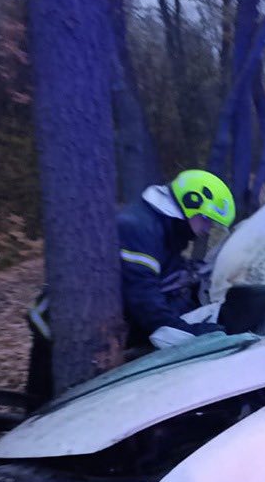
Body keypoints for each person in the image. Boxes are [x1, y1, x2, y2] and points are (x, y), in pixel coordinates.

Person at [26, 170, 234, 404]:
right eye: (206, 220)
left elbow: (168, 279)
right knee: (43, 408)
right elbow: (145, 301)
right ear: (190, 204)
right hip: (56, 328)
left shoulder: (160, 227)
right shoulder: (139, 229)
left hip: (79, 329)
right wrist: (193, 335)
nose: (206, 229)